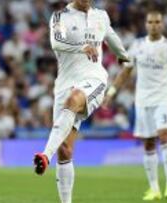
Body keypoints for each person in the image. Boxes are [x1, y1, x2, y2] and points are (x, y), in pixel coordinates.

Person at [33, 1, 129, 203]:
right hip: (64, 83)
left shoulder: (101, 16)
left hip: (94, 79)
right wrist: (81, 47)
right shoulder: (60, 17)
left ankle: (45, 156)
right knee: (65, 150)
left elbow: (110, 36)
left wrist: (123, 55)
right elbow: (56, 42)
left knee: (74, 100)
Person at [103, 10, 167, 200]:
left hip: (163, 98)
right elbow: (125, 73)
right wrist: (111, 93)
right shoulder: (136, 46)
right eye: (150, 22)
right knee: (149, 144)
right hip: (143, 100)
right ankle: (154, 189)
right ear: (146, 24)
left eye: (157, 22)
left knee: (164, 136)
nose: (153, 25)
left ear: (162, 24)